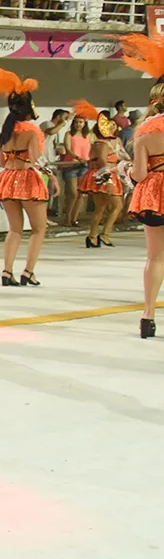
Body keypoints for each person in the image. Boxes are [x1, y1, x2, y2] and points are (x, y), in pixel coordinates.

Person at [0, 70, 48, 287]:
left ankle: (7, 271)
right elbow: (36, 160)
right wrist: (49, 176)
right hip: (27, 178)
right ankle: (28, 271)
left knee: (14, 229)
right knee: (39, 228)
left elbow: (2, 161)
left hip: (7, 179)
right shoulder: (32, 133)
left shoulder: (5, 134)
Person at [120, 32, 164, 337]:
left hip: (153, 193)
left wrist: (124, 167)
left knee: (155, 257)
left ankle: (147, 316)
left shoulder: (145, 131)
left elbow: (138, 174)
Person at [77, 109, 126, 249]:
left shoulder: (114, 141)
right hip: (104, 175)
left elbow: (123, 155)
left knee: (103, 207)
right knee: (114, 206)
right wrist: (108, 180)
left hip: (111, 173)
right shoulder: (101, 144)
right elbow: (103, 162)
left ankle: (95, 236)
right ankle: (101, 234)